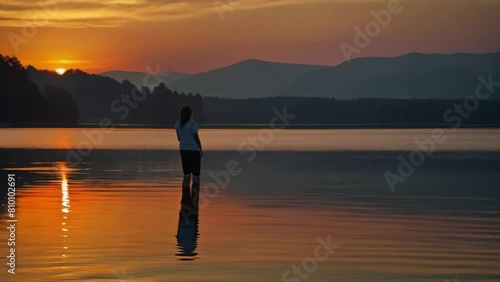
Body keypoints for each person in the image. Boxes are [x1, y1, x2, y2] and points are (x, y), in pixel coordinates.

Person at [175, 106, 203, 188]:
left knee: (186, 173)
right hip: (194, 150)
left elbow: (179, 139)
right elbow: (196, 138)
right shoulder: (192, 124)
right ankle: (195, 192)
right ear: (190, 114)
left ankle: (185, 194)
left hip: (183, 150)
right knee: (196, 174)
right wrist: (200, 149)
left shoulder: (177, 124)